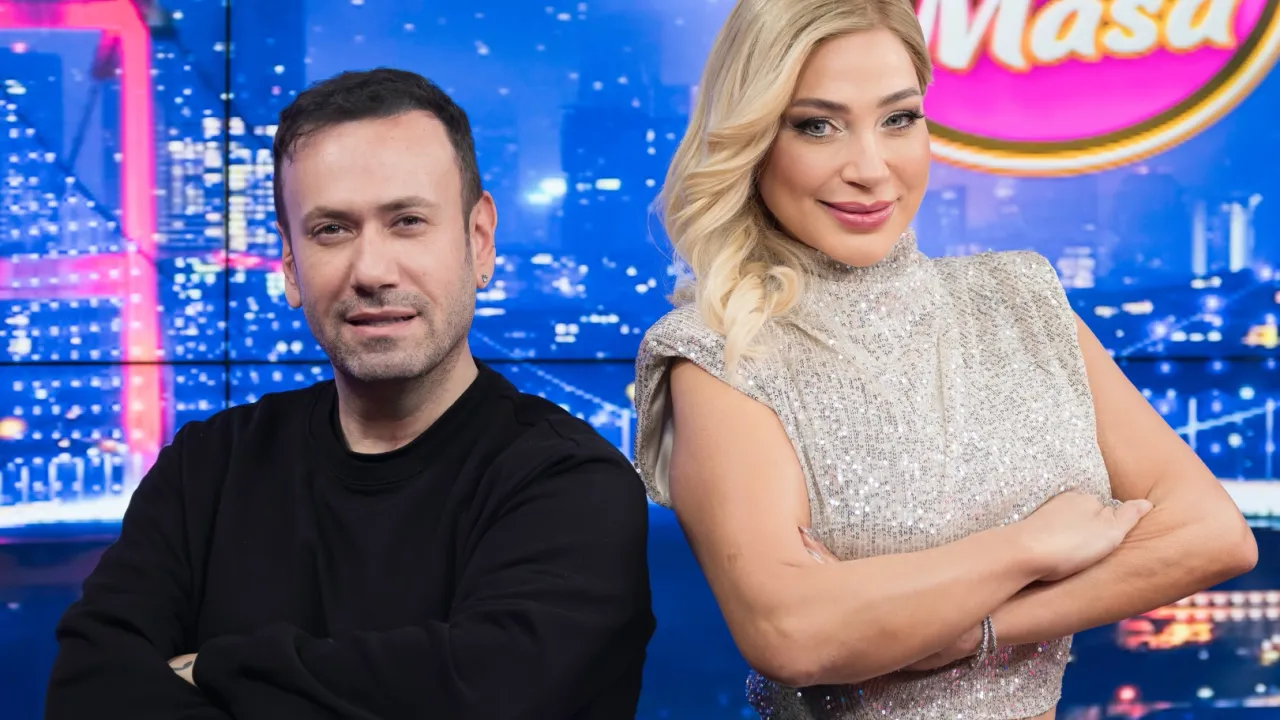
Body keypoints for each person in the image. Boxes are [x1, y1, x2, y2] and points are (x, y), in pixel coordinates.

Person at [631, 0, 1258, 718]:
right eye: (816, 125)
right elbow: (791, 632)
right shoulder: (720, 350)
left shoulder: (1021, 299)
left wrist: (974, 630)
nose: (871, 169)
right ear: (753, 137)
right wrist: (1030, 548)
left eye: (899, 118)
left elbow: (1213, 535)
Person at [45, 68, 655, 720]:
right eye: (332, 230)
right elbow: (86, 692)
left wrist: (214, 669)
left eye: (408, 221)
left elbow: (499, 697)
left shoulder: (571, 483)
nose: (372, 271)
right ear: (289, 265)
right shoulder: (205, 469)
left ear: (479, 241)